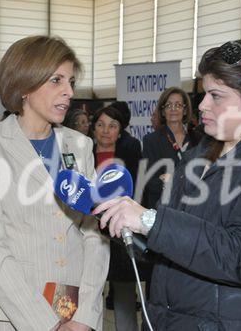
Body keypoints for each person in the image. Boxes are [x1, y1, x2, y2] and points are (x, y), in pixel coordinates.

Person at [94, 39, 241, 330]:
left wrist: (150, 221)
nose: (202, 105)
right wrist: (124, 222)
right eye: (204, 93)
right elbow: (174, 242)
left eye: (216, 96)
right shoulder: (203, 151)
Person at [0, 35, 109, 331]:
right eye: (56, 80)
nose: (68, 91)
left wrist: (85, 316)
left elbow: (95, 233)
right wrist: (48, 325)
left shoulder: (79, 146)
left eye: (71, 82)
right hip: (9, 318)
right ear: (24, 85)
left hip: (74, 312)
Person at [92, 105, 141, 331]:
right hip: (89, 233)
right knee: (88, 297)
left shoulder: (130, 157)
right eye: (100, 125)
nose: (105, 131)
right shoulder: (81, 153)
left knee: (123, 298)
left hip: (120, 235)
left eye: (112, 126)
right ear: (93, 129)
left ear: (120, 131)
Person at [142, 87, 202, 210]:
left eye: (178, 105)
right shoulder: (151, 140)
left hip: (192, 207)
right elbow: (150, 181)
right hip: (163, 208)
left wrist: (170, 178)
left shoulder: (198, 138)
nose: (173, 109)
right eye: (168, 105)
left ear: (185, 110)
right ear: (163, 111)